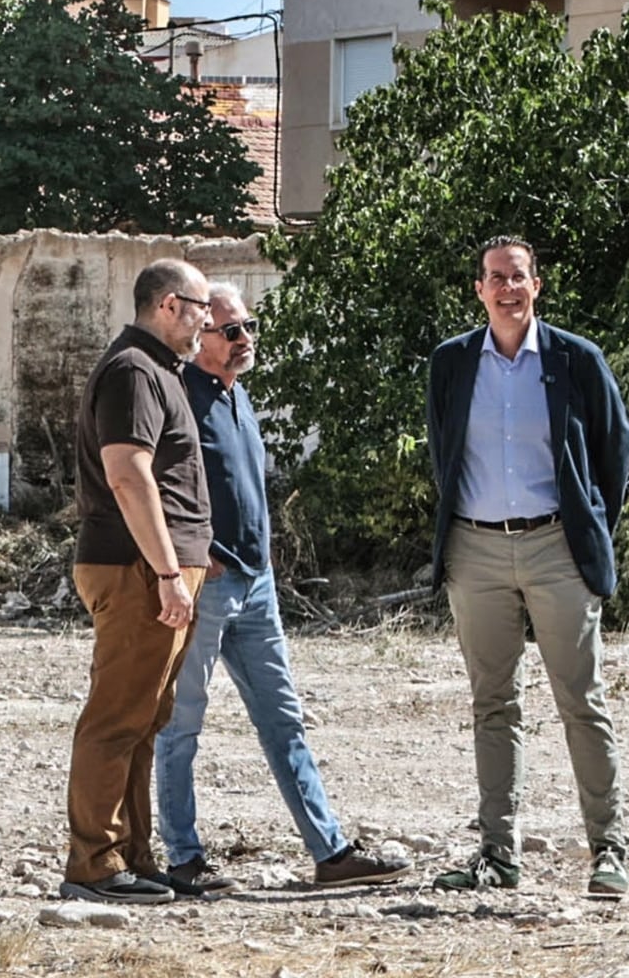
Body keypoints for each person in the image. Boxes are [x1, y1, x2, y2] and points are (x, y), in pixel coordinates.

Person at [153, 284, 410, 894]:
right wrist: (196, 555)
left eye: (248, 327)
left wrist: (259, 551)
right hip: (207, 585)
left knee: (284, 720)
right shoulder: (181, 397)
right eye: (231, 331)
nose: (245, 340)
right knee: (181, 723)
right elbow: (155, 485)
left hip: (255, 585)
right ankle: (183, 859)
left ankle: (330, 851)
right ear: (201, 337)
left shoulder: (237, 397)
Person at [423, 236, 629, 899]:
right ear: (479, 289)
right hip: (475, 551)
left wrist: (589, 531)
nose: (507, 289)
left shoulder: (577, 359)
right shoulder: (452, 363)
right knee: (493, 705)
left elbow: (612, 454)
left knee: (582, 703)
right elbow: (443, 451)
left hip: (555, 548)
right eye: (495, 278)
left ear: (537, 286)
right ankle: (497, 854)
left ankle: (608, 850)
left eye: (518, 277)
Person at [59, 257, 217, 906]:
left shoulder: (160, 372)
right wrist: (165, 572)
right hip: (135, 570)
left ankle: (130, 854)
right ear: (168, 305)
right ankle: (93, 863)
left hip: (157, 568)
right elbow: (129, 476)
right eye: (200, 308)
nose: (208, 320)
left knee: (143, 718)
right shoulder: (133, 371)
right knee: (117, 717)